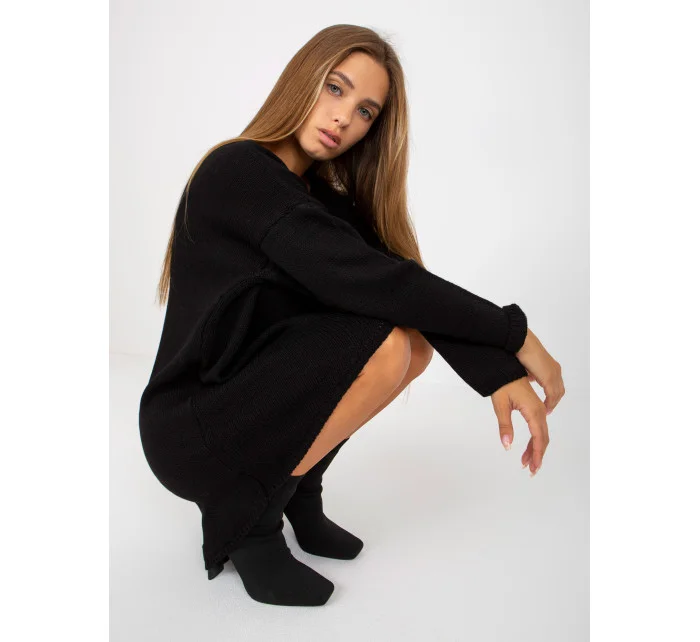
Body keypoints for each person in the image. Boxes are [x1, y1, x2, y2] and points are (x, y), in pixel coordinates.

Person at [138, 24, 565, 607]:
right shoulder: (240, 172)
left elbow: (400, 289)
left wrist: (498, 371)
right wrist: (516, 335)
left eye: (365, 110)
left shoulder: (320, 199)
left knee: (412, 342)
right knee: (385, 347)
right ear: (302, 80)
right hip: (192, 426)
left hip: (249, 405)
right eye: (334, 88)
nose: (343, 118)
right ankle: (251, 524)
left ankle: (297, 491)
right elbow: (377, 282)